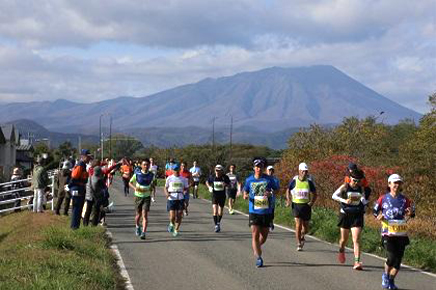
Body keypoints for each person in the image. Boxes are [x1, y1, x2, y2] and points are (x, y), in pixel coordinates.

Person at [373, 174, 415, 289]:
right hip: (388, 232)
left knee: (398, 261)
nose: (397, 185)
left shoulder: (405, 199)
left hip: (401, 233)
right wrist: (379, 216)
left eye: (399, 183)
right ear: (389, 184)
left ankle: (391, 281)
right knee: (391, 257)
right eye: (394, 182)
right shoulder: (383, 198)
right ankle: (385, 276)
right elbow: (375, 211)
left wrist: (410, 213)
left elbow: (412, 211)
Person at [243, 158, 278, 267]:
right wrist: (245, 195)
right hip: (254, 211)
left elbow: (276, 189)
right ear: (254, 168)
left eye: (261, 167)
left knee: (264, 236)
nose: (259, 169)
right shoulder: (249, 180)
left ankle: (257, 246)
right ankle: (259, 257)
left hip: (266, 211)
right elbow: (245, 190)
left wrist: (271, 193)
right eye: (257, 167)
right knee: (255, 234)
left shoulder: (269, 179)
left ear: (263, 168)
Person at [332, 169, 369, 270]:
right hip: (345, 214)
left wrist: (365, 203)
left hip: (357, 215)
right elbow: (333, 196)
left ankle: (357, 262)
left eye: (358, 181)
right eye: (354, 180)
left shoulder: (360, 189)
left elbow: (363, 200)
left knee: (356, 239)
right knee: (344, 239)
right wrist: (344, 200)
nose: (356, 183)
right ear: (350, 179)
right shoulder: (345, 187)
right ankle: (341, 250)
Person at [286, 162, 317, 251]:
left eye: (306, 171)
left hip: (306, 206)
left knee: (306, 228)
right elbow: (288, 190)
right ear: (299, 171)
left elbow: (315, 194)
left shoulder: (309, 182)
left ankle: (302, 235)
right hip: (296, 205)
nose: (304, 173)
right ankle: (299, 243)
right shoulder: (294, 181)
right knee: (298, 225)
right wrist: (288, 200)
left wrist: (312, 202)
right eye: (303, 171)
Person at [129, 159, 155, 240]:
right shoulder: (137, 174)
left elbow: (153, 185)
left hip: (147, 197)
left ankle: (143, 233)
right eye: (144, 165)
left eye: (147, 165)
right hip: (138, 197)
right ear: (141, 165)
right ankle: (137, 226)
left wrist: (152, 191)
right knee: (138, 215)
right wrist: (135, 188)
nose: (146, 166)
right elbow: (130, 183)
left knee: (145, 215)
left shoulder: (151, 175)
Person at [69, 149, 92, 230]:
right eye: (88, 157)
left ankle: (76, 226)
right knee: (77, 209)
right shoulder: (80, 165)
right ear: (83, 156)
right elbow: (74, 177)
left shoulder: (83, 165)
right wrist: (76, 185)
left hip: (79, 188)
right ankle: (74, 227)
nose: (89, 159)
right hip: (77, 189)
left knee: (79, 209)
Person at [165, 164, 189, 237]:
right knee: (172, 216)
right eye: (175, 170)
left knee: (179, 215)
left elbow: (186, 188)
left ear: (179, 170)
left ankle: (176, 230)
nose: (176, 171)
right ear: (172, 170)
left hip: (180, 197)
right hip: (172, 197)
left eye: (177, 170)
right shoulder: (169, 178)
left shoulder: (183, 179)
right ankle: (171, 224)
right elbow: (165, 187)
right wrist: (166, 194)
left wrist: (185, 192)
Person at [206, 164, 230, 232]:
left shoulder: (225, 177)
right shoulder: (212, 177)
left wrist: (225, 185)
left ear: (222, 171)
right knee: (215, 210)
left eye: (219, 171)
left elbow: (228, 183)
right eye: (216, 170)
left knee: (220, 211)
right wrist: (209, 187)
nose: (217, 172)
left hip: (222, 195)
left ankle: (218, 222)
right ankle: (216, 225)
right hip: (214, 195)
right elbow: (207, 181)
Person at [266, 165, 280, 231]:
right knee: (264, 212)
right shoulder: (263, 178)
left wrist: (272, 192)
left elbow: (277, 189)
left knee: (271, 212)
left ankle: (270, 222)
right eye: (269, 170)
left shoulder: (275, 180)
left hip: (272, 199)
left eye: (272, 170)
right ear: (267, 171)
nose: (270, 172)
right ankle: (266, 224)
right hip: (263, 199)